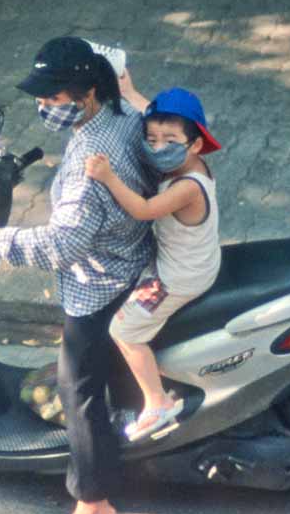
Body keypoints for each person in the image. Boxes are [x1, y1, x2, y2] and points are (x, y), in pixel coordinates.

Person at [0, 37, 158, 514]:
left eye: (55, 96)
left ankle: (95, 506)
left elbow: (63, 245)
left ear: (90, 91)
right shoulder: (120, 117)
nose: (46, 106)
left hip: (101, 283)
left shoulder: (92, 159)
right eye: (42, 97)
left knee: (78, 387)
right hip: (134, 258)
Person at [85, 80, 222, 442]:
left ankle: (157, 401)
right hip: (195, 261)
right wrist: (128, 90)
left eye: (170, 142)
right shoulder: (194, 162)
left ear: (195, 143)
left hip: (178, 277)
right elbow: (158, 119)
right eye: (152, 139)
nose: (158, 147)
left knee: (123, 330)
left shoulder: (187, 187)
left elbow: (144, 210)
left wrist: (107, 176)